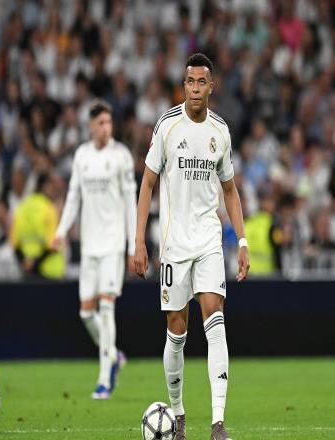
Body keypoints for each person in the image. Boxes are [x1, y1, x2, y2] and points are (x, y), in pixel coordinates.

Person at [134, 53, 250, 440]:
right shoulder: (167, 126)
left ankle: (218, 423)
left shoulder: (220, 131)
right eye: (189, 82)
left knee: (214, 318)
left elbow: (230, 190)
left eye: (201, 82)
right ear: (183, 86)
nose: (195, 89)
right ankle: (179, 414)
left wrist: (243, 241)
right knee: (176, 330)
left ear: (211, 87)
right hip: (174, 245)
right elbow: (147, 183)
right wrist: (138, 240)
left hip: (208, 240)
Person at [52, 99, 137, 400]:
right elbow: (73, 197)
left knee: (106, 307)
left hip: (113, 243)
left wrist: (133, 245)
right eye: (100, 123)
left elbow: (130, 203)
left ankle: (104, 379)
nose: (106, 127)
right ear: (90, 126)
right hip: (89, 246)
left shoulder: (121, 156)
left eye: (109, 122)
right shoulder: (82, 156)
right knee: (86, 313)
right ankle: (113, 354)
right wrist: (61, 231)